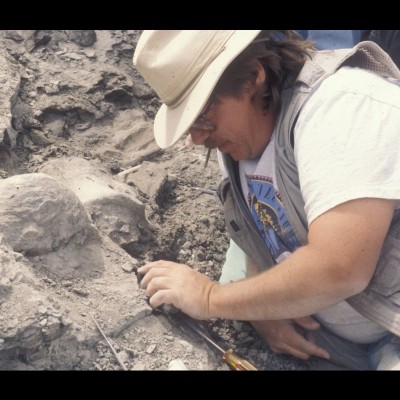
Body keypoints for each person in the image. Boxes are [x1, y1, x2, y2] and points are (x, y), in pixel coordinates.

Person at [133, 30, 400, 370]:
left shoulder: (341, 107)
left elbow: (341, 267)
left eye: (201, 116)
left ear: (252, 78)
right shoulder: (240, 139)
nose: (196, 138)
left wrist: (211, 298)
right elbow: (262, 225)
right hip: (339, 345)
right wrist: (263, 311)